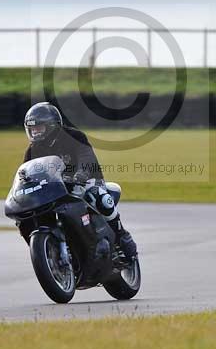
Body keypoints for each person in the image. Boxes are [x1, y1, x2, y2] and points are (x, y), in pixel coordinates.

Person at [22, 101, 137, 259]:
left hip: (85, 180)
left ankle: (121, 235)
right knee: (30, 215)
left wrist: (81, 174)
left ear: (52, 126)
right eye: (32, 129)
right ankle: (48, 251)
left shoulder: (74, 136)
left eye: (38, 128)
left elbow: (86, 156)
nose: (35, 133)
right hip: (55, 188)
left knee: (98, 196)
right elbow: (27, 172)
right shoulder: (32, 150)